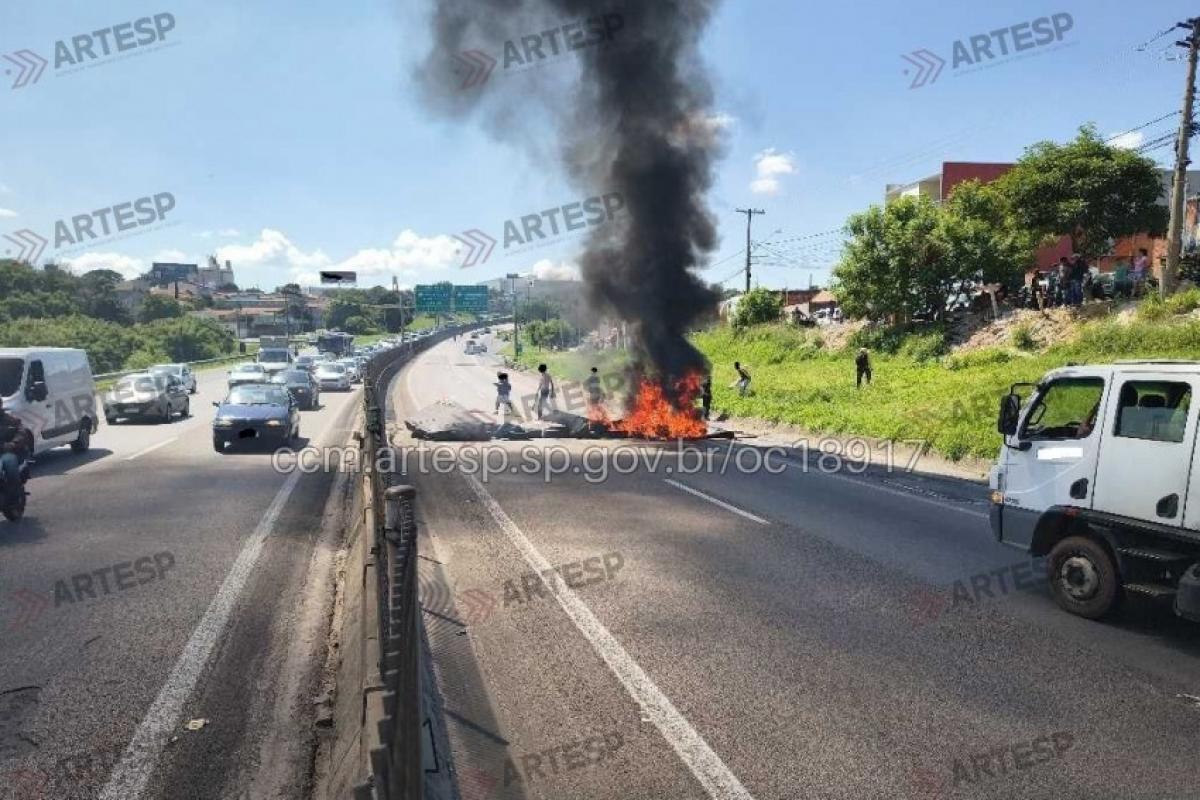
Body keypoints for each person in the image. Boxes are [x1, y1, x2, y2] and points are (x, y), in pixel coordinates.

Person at [0, 397, 30, 503]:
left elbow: (21, 431)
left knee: (9, 462)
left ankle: (13, 495)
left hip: (6, 452)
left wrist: (13, 443)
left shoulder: (9, 420)